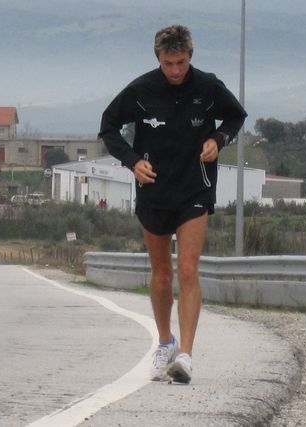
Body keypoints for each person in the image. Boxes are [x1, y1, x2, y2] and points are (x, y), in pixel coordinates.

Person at [98, 24, 247, 384]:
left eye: (181, 62)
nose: (176, 71)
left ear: (190, 57)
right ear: (158, 59)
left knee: (189, 269)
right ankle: (165, 342)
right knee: (163, 273)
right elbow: (108, 127)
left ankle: (186, 356)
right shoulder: (140, 90)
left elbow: (236, 116)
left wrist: (218, 139)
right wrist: (133, 161)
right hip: (154, 189)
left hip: (195, 188)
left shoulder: (208, 87)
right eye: (168, 63)